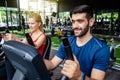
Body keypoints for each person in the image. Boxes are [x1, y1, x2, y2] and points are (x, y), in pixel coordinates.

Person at [44, 5, 110, 80]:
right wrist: (36, 58)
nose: (75, 26)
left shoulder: (101, 49)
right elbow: (52, 64)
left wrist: (79, 76)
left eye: (80, 21)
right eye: (73, 21)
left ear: (91, 22)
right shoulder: (67, 42)